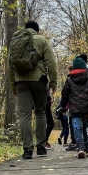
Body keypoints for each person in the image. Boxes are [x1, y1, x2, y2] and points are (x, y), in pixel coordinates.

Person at [9, 20, 57, 159]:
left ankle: (27, 150)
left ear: (26, 29)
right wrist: (53, 83)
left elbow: (10, 66)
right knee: (40, 112)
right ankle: (41, 147)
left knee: (24, 115)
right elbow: (51, 62)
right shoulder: (41, 40)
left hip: (21, 82)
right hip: (39, 81)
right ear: (37, 30)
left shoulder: (16, 41)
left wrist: (13, 85)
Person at [59, 56, 88, 158]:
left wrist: (62, 107)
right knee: (87, 127)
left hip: (75, 109)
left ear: (74, 68)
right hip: (87, 109)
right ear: (84, 67)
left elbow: (65, 94)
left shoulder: (69, 80)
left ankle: (80, 148)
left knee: (77, 128)